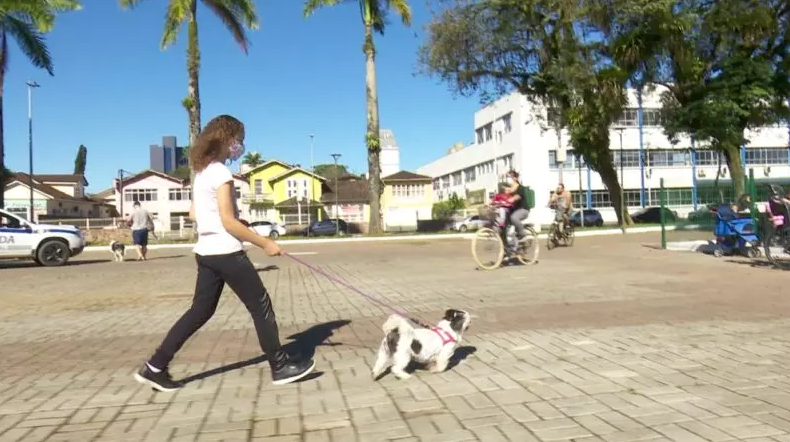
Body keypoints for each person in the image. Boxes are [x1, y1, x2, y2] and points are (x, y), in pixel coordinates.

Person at [134, 115, 315, 392]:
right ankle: (280, 366)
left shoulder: (203, 172)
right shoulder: (220, 173)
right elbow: (228, 222)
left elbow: (196, 214)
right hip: (226, 252)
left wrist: (229, 222)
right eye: (239, 140)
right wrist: (264, 242)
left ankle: (155, 366)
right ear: (226, 140)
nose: (240, 145)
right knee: (261, 306)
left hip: (206, 252)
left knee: (199, 311)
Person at [504, 170, 531, 242]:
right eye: (507, 177)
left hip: (523, 210)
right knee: (504, 225)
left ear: (515, 178)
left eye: (510, 177)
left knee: (513, 217)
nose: (508, 179)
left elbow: (517, 196)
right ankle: (510, 247)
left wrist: (511, 199)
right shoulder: (508, 189)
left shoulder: (520, 188)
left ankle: (523, 235)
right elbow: (500, 197)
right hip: (514, 210)